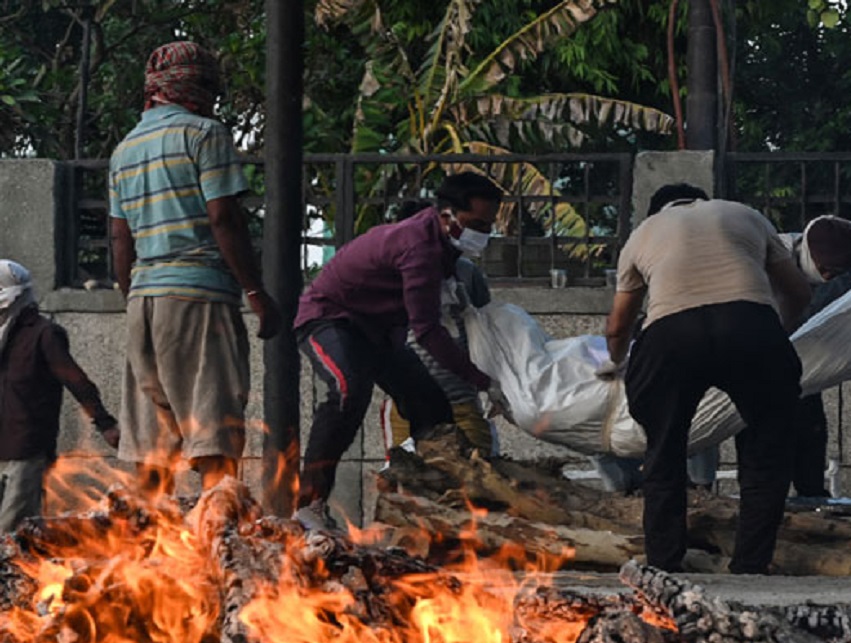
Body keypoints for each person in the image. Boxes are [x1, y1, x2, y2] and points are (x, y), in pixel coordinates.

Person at [601, 183, 810, 574]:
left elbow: (618, 327)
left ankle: (664, 564)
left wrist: (615, 365)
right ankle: (751, 564)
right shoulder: (743, 213)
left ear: (656, 211)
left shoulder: (642, 234)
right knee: (768, 449)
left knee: (664, 452)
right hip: (751, 325)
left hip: (670, 336)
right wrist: (772, 334)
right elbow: (798, 292)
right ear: (704, 200)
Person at [109, 41, 283, 495]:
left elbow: (119, 238)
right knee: (214, 434)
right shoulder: (205, 134)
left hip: (142, 300)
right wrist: (255, 291)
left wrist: (132, 295)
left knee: (150, 447)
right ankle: (218, 544)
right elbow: (223, 216)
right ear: (200, 85)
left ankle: (145, 554)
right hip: (199, 296)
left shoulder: (125, 149)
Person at [293, 173, 506, 526]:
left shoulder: (445, 248)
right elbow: (427, 332)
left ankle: (431, 506)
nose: (482, 233)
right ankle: (309, 504)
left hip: (378, 334)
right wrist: (483, 381)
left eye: (488, 225)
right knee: (347, 392)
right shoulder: (418, 247)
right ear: (446, 215)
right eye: (475, 224)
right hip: (331, 320)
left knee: (432, 407)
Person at [0, 260, 120, 530]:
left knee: (12, 531)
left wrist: (105, 422)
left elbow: (76, 380)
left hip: (25, 448)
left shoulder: (44, 334)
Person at [382, 201, 496, 456]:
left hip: (462, 399)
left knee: (479, 480)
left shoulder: (466, 273)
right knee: (410, 484)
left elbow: (485, 330)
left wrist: (492, 386)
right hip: (407, 406)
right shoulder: (386, 275)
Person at [782, 215, 851, 497]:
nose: (829, 277)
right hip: (762, 353)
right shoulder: (776, 255)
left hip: (805, 360)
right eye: (825, 270)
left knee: (810, 425)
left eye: (835, 272)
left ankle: (810, 492)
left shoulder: (849, 270)